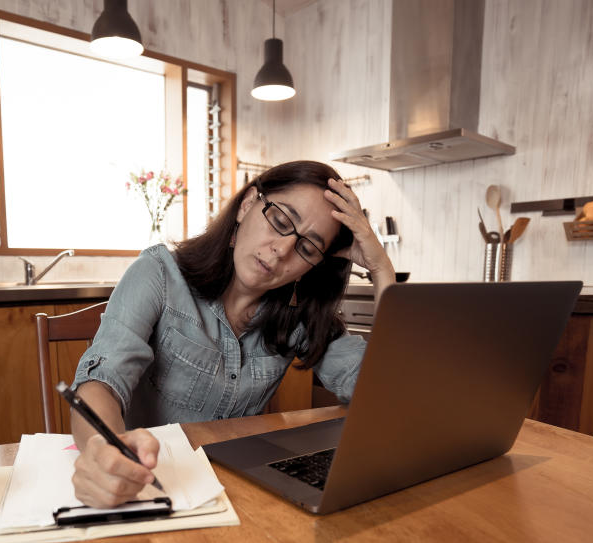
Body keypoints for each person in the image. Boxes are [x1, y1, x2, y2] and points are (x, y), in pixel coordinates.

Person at [70, 160, 395, 508]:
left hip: (235, 495)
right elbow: (102, 380)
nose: (282, 249)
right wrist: (106, 450)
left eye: (307, 248)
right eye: (281, 221)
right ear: (247, 204)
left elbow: (383, 391)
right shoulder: (159, 275)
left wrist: (382, 270)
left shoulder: (296, 316)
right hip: (150, 490)